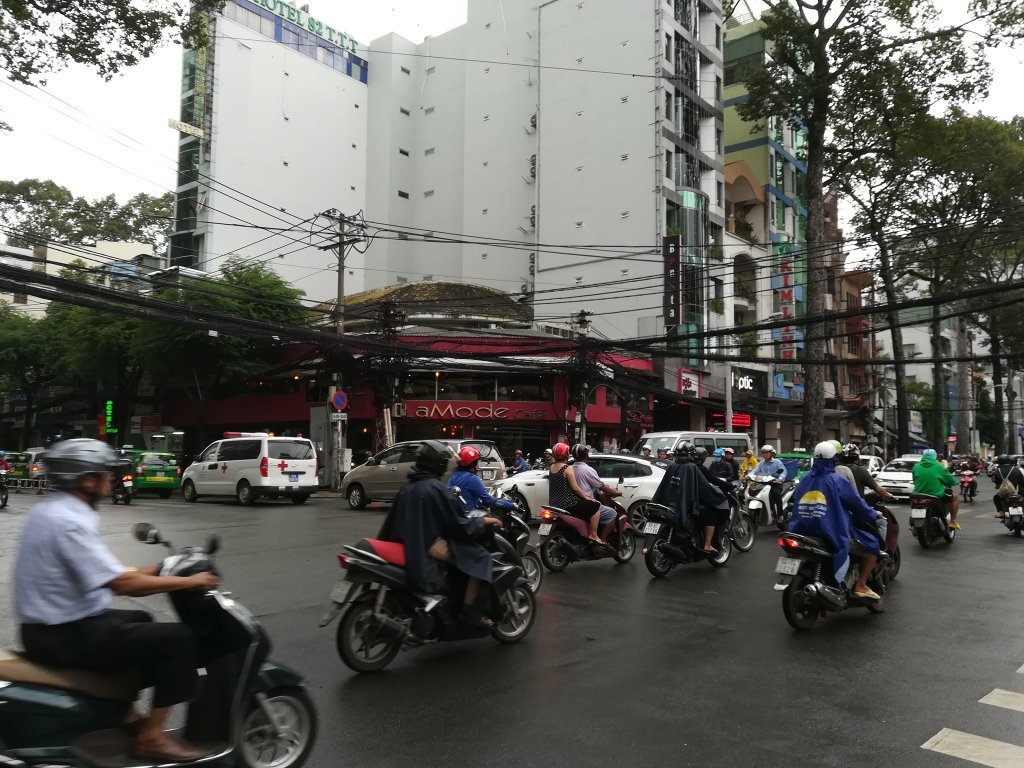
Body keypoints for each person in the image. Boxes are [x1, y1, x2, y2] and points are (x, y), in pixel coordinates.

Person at [13, 439, 220, 762]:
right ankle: (152, 738)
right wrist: (191, 581)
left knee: (141, 620)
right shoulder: (69, 522)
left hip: (52, 627)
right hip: (64, 634)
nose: (112, 477)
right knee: (178, 638)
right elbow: (122, 584)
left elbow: (103, 572)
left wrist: (162, 567)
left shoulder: (55, 511)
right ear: (87, 480)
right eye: (106, 472)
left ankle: (121, 710)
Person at [378, 440, 503, 627]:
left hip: (410, 543)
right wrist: (484, 521)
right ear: (439, 464)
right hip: (428, 545)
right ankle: (468, 613)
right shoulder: (434, 488)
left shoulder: (408, 487)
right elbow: (458, 525)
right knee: (481, 558)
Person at [789, 441, 883, 600]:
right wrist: (873, 513)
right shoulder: (837, 481)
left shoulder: (804, 479)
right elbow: (857, 504)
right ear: (834, 459)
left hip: (800, 530)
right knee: (872, 546)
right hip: (830, 532)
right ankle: (860, 585)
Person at [650, 441, 730, 554]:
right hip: (684, 507)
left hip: (668, 504)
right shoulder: (692, 467)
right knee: (711, 516)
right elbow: (704, 487)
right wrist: (718, 496)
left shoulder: (672, 466)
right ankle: (707, 545)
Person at [547, 442, 603, 543]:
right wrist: (586, 497)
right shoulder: (567, 468)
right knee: (596, 506)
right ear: (566, 454)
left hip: (553, 503)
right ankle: (593, 535)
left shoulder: (551, 467)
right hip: (568, 503)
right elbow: (575, 488)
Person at [569, 443, 622, 539]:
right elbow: (603, 487)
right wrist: (616, 492)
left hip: (572, 503)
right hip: (585, 503)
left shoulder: (569, 469)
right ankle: (602, 541)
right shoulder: (588, 470)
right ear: (586, 455)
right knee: (612, 514)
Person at [449, 446, 515, 513]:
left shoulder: (453, 477)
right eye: (477, 461)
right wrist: (510, 505)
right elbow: (489, 501)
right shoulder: (472, 478)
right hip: (470, 515)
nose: (479, 463)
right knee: (495, 519)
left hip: (457, 514)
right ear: (473, 463)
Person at [912, 448, 960, 530]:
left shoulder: (916, 466)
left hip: (917, 495)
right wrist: (956, 482)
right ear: (935, 457)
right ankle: (952, 521)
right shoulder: (939, 467)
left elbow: (914, 480)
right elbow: (951, 481)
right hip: (935, 495)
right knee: (955, 497)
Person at [752, 445, 788, 523]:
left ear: (771, 453)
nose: (765, 454)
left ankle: (780, 515)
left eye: (767, 453)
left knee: (775, 494)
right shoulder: (761, 463)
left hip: (775, 483)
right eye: (763, 453)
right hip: (764, 483)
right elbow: (754, 471)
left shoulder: (777, 462)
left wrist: (780, 479)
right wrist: (749, 475)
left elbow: (784, 471)